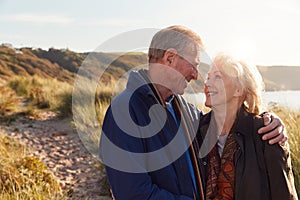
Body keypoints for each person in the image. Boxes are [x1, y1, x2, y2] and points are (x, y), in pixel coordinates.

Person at [99, 25, 286, 200]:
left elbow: (228, 121)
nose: (196, 75)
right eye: (194, 65)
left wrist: (270, 121)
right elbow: (133, 194)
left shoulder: (185, 111)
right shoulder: (124, 111)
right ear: (170, 58)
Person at [198, 53, 298, 200]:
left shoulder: (266, 133)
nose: (208, 83)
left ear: (239, 90)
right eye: (208, 77)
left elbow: (283, 194)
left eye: (218, 77)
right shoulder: (197, 130)